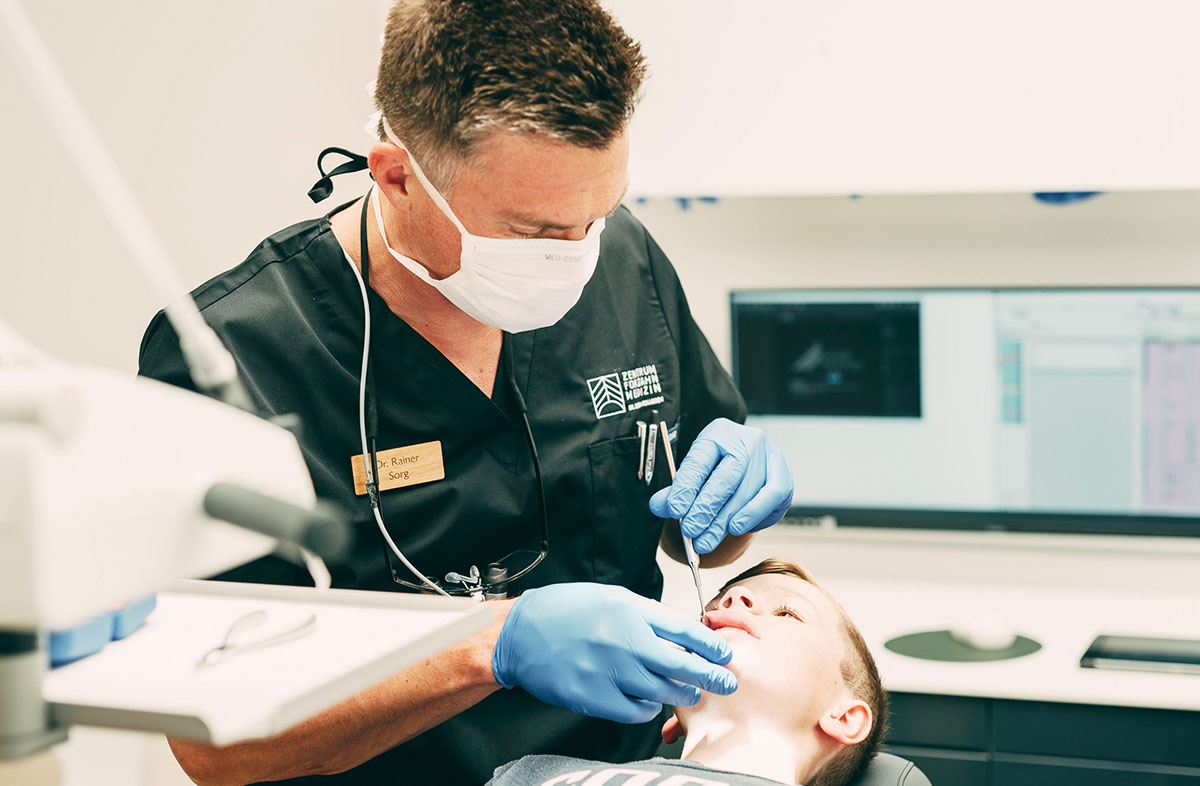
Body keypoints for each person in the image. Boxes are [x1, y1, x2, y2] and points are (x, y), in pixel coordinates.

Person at [138, 1, 794, 784]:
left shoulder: (623, 261)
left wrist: (733, 513)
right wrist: (491, 649)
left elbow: (699, 538)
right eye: (533, 231)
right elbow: (219, 749)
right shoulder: (235, 355)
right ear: (397, 176)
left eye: (602, 213)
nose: (578, 255)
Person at [487, 559, 891, 786]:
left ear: (843, 717)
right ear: (673, 719)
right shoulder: (527, 773)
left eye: (787, 612)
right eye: (718, 603)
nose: (733, 598)